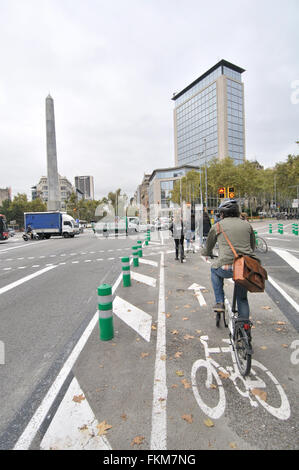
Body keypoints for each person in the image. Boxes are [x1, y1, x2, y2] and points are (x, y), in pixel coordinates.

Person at [201, 199, 258, 320]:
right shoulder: (247, 224)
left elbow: (208, 246)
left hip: (227, 266)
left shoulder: (218, 226)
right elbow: (253, 246)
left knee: (214, 270)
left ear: (222, 214)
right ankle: (245, 329)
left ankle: (220, 302)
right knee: (242, 299)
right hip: (246, 267)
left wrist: (206, 253)